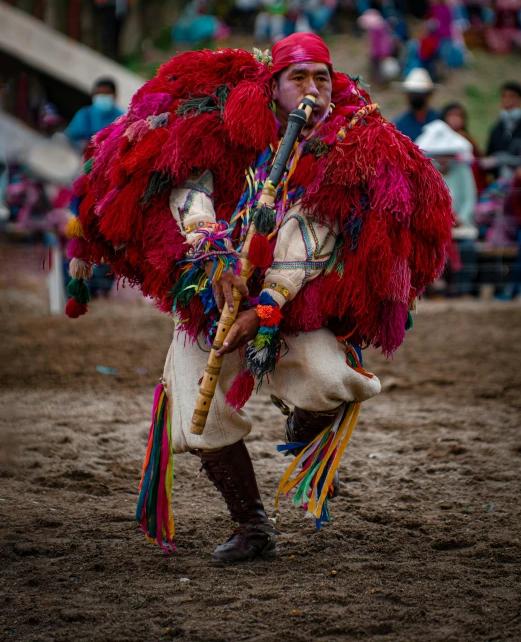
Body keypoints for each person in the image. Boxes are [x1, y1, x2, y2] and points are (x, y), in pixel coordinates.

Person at [66, 33, 452, 562]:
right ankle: (252, 526)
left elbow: (315, 234)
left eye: (322, 77)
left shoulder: (350, 147)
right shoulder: (222, 125)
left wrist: (267, 303)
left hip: (294, 302)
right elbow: (190, 189)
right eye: (299, 77)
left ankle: (302, 425)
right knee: (197, 412)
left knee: (330, 380)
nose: (312, 88)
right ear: (274, 85)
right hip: (211, 296)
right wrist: (212, 258)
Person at [416, 120, 477, 297]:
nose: (444, 158)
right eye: (440, 154)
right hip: (433, 225)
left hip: (460, 224)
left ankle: (462, 290)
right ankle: (432, 290)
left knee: (468, 248)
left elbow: (470, 197)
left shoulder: (462, 169)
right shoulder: (427, 171)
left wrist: (462, 218)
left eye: (448, 154)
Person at [65, 78, 123, 152]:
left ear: (115, 96)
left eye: (106, 93)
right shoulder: (86, 114)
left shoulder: (122, 118)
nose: (102, 96)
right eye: (99, 93)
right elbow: (70, 135)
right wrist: (81, 145)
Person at [441, 102, 486, 191]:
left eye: (458, 116)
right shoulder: (439, 142)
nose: (455, 119)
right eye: (451, 115)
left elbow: (477, 163)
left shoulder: (469, 141)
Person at [484, 81, 521, 179]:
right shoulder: (497, 127)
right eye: (504, 96)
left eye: (512, 96)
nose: (507, 100)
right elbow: (489, 154)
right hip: (501, 182)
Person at [393, 68, 439, 142]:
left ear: (428, 95)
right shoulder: (400, 124)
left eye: (420, 94)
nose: (416, 97)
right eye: (413, 94)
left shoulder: (438, 119)